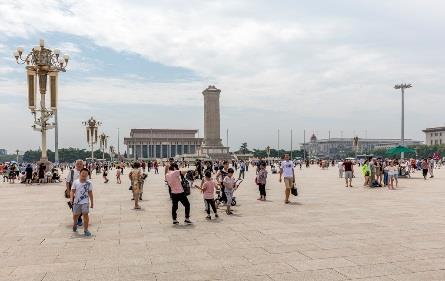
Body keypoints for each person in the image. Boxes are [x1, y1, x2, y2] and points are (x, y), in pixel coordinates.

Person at [70, 168, 94, 236]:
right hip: (76, 202)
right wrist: (71, 198)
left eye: (86, 174)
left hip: (85, 202)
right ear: (80, 173)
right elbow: (72, 191)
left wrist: (92, 202)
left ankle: (86, 230)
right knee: (75, 215)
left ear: (87, 175)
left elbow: (90, 193)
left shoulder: (89, 183)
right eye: (83, 173)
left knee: (85, 215)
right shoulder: (75, 182)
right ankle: (75, 224)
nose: (84, 175)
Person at [66, 160, 85, 226]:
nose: (79, 165)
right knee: (75, 207)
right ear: (75, 165)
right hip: (73, 192)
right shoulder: (72, 172)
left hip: (82, 192)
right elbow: (67, 181)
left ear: (83, 165)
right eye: (78, 164)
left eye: (80, 164)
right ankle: (78, 219)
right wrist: (68, 191)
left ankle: (78, 217)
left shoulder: (84, 172)